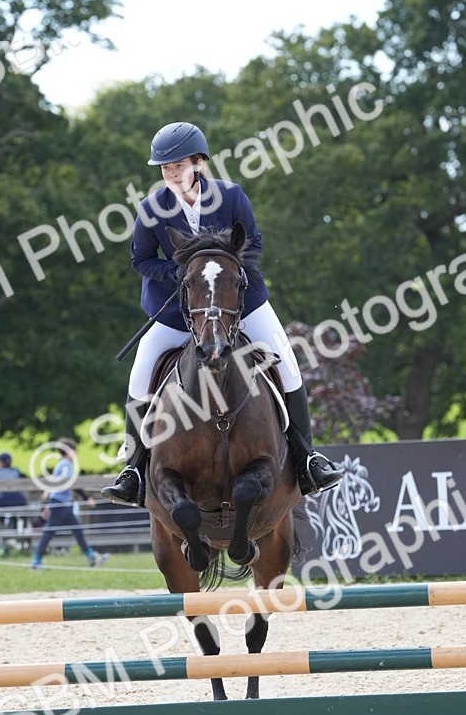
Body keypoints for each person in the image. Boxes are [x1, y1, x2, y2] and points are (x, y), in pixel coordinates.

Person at [101, 120, 344, 507]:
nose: (171, 175)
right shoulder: (151, 209)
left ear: (198, 163)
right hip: (178, 312)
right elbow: (141, 259)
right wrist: (179, 273)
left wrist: (222, 270)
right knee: (140, 373)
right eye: (165, 169)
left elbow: (255, 243)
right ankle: (133, 470)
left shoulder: (231, 197)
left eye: (177, 166)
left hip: (239, 304)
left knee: (289, 365)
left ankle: (307, 459)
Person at [30, 439, 110, 570]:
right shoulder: (66, 465)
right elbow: (71, 483)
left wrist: (49, 504)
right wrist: (87, 497)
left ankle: (91, 557)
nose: (75, 454)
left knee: (74, 530)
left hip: (60, 503)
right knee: (50, 532)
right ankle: (36, 560)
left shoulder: (61, 464)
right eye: (74, 451)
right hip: (60, 503)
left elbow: (56, 485)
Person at [0, 451, 28, 533]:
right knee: (15, 514)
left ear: (1, 462)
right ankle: (16, 532)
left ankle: (4, 531)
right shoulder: (16, 471)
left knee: (1, 515)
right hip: (19, 501)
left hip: (3, 502)